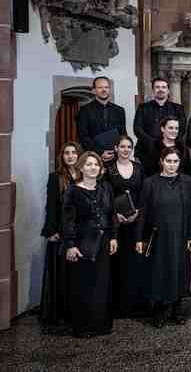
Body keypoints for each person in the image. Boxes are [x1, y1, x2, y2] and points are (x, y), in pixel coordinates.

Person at [135, 147, 191, 328]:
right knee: (159, 271)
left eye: (175, 161)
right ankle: (160, 310)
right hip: (158, 236)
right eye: (168, 161)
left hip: (180, 234)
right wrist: (139, 238)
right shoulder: (150, 183)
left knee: (178, 270)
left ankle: (177, 309)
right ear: (161, 161)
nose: (172, 165)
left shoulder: (187, 182)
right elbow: (142, 213)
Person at [63, 152, 118, 337]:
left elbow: (111, 215)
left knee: (102, 283)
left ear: (101, 168)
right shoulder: (73, 191)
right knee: (83, 284)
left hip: (103, 241)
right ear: (81, 168)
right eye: (88, 164)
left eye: (96, 164)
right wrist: (70, 244)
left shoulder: (106, 188)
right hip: (82, 242)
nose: (92, 167)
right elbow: (68, 220)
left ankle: (101, 325)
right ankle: (83, 327)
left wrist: (113, 237)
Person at [39, 141, 81, 333]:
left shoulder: (85, 175)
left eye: (74, 152)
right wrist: (51, 230)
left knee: (76, 274)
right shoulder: (55, 178)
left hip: (80, 231)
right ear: (61, 156)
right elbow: (52, 206)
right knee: (61, 274)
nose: (70, 156)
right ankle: (60, 313)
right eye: (66, 153)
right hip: (61, 231)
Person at [106, 135, 147, 317]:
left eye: (128, 147)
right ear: (116, 148)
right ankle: (119, 306)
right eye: (122, 146)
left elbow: (143, 193)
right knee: (118, 264)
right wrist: (116, 215)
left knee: (135, 263)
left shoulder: (139, 168)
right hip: (117, 224)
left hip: (136, 221)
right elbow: (106, 196)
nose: (125, 150)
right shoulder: (108, 170)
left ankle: (136, 305)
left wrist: (138, 212)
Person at [133, 77, 186, 169]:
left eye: (163, 87)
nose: (160, 89)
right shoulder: (143, 108)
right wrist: (153, 143)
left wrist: (168, 144)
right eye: (157, 87)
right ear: (153, 90)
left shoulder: (178, 108)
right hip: (146, 151)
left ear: (168, 90)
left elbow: (181, 129)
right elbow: (137, 129)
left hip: (172, 151)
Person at [76, 76, 127, 162]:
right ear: (94, 90)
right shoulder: (84, 110)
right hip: (94, 157)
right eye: (100, 87)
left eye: (106, 87)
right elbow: (83, 136)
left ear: (109, 89)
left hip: (116, 157)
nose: (104, 90)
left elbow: (123, 133)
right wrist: (100, 152)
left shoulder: (119, 110)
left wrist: (122, 151)